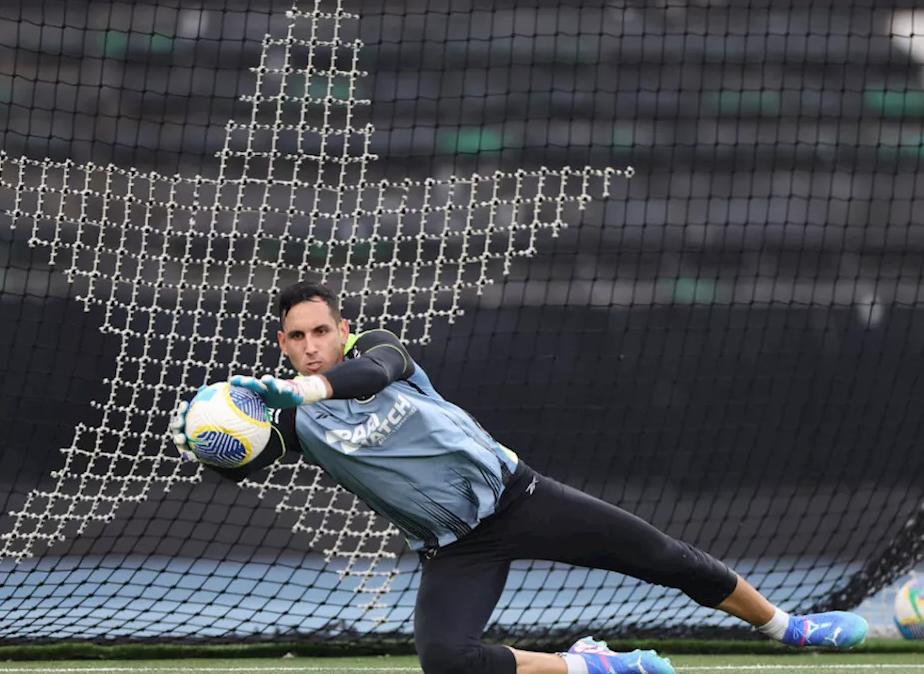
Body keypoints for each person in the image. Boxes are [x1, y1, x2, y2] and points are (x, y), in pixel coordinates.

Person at [169, 280, 869, 674]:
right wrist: (204, 438)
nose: (311, 345)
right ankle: (591, 666)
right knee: (445, 664)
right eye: (297, 337)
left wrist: (306, 391)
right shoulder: (293, 422)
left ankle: (789, 627)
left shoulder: (377, 352)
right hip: (455, 549)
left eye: (321, 331)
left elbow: (371, 374)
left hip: (520, 497)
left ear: (341, 329)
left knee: (665, 559)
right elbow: (243, 462)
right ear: (282, 344)